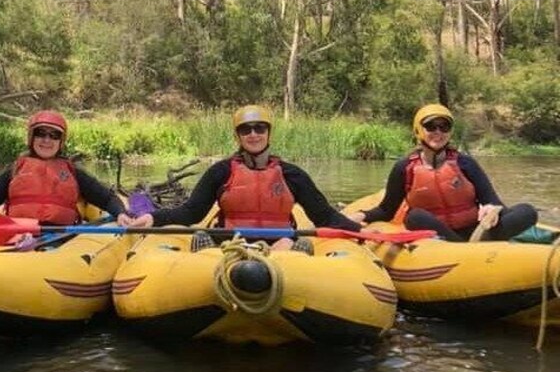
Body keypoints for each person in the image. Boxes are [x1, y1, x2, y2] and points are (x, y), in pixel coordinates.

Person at [128, 105, 362, 250]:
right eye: (245, 129)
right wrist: (153, 218)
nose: (253, 134)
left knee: (295, 245)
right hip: (231, 242)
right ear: (238, 136)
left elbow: (323, 215)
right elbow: (192, 212)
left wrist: (357, 230)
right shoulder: (221, 172)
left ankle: (287, 267)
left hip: (280, 244)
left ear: (269, 132)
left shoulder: (292, 175)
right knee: (202, 237)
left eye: (259, 128)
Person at [347, 103, 538, 242]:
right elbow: (386, 210)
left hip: (476, 230)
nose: (438, 132)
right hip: (439, 236)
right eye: (431, 126)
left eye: (444, 126)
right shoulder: (404, 168)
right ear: (418, 131)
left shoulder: (465, 163)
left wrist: (491, 209)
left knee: (527, 211)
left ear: (450, 132)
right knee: (415, 217)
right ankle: (463, 247)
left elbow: (494, 202)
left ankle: (473, 244)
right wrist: (360, 216)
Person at [0, 110, 130, 226]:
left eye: (54, 136)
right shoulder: (15, 170)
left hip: (62, 239)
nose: (47, 140)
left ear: (60, 142)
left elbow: (107, 199)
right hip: (20, 236)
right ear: (32, 138)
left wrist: (121, 213)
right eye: (41, 133)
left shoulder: (73, 172)